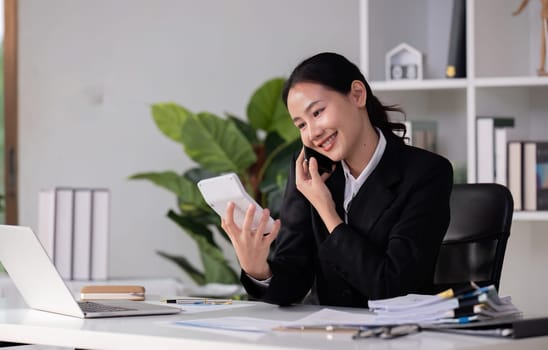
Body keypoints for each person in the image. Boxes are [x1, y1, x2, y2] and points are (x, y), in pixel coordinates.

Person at [221, 52, 453, 308]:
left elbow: (391, 287)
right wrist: (258, 270)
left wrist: (328, 213)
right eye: (301, 125)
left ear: (357, 94)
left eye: (318, 112)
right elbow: (294, 282)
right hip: (325, 338)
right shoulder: (309, 170)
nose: (312, 134)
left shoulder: (426, 172)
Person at [513, 0, 548, 76]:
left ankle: (542, 67)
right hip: (545, 17)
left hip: (545, 16)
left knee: (544, 43)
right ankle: (542, 67)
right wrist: (518, 10)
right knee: (544, 43)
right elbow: (525, 1)